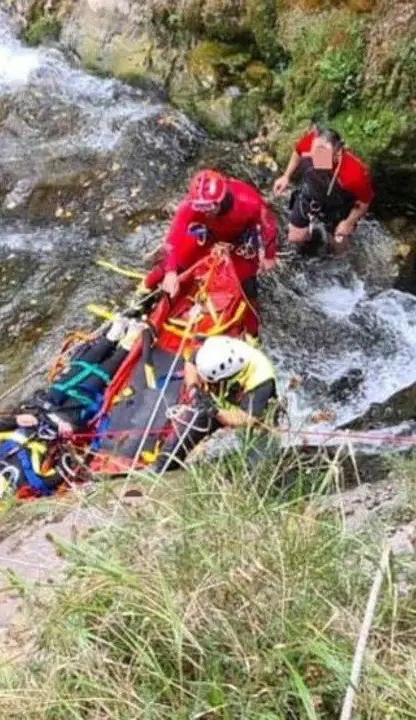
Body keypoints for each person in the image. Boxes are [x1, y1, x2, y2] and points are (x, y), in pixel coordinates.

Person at [0, 316, 140, 497]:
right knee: (92, 385)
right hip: (59, 426)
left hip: (39, 414)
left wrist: (15, 419)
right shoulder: (32, 480)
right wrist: (68, 438)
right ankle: (127, 343)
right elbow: (66, 469)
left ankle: (112, 336)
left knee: (73, 374)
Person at [138, 170, 278, 337]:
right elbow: (173, 239)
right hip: (206, 234)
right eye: (200, 207)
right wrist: (170, 271)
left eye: (209, 207)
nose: (205, 212)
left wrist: (269, 255)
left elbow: (268, 225)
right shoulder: (189, 206)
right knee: (172, 265)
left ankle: (252, 334)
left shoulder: (248, 201)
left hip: (238, 242)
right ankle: (142, 294)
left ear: (221, 199)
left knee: (248, 288)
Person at [155, 335, 279, 471]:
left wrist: (214, 412)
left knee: (256, 463)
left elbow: (247, 418)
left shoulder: (262, 378)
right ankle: (164, 468)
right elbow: (190, 364)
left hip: (252, 415)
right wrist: (194, 392)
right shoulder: (213, 351)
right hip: (217, 404)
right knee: (182, 439)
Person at [273, 126, 374, 255]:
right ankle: (312, 242)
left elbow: (365, 202)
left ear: (337, 154)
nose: (315, 159)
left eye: (321, 155)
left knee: (339, 247)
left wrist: (348, 222)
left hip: (338, 206)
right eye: (313, 154)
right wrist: (286, 176)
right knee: (295, 238)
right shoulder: (312, 141)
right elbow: (297, 152)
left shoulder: (354, 174)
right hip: (311, 193)